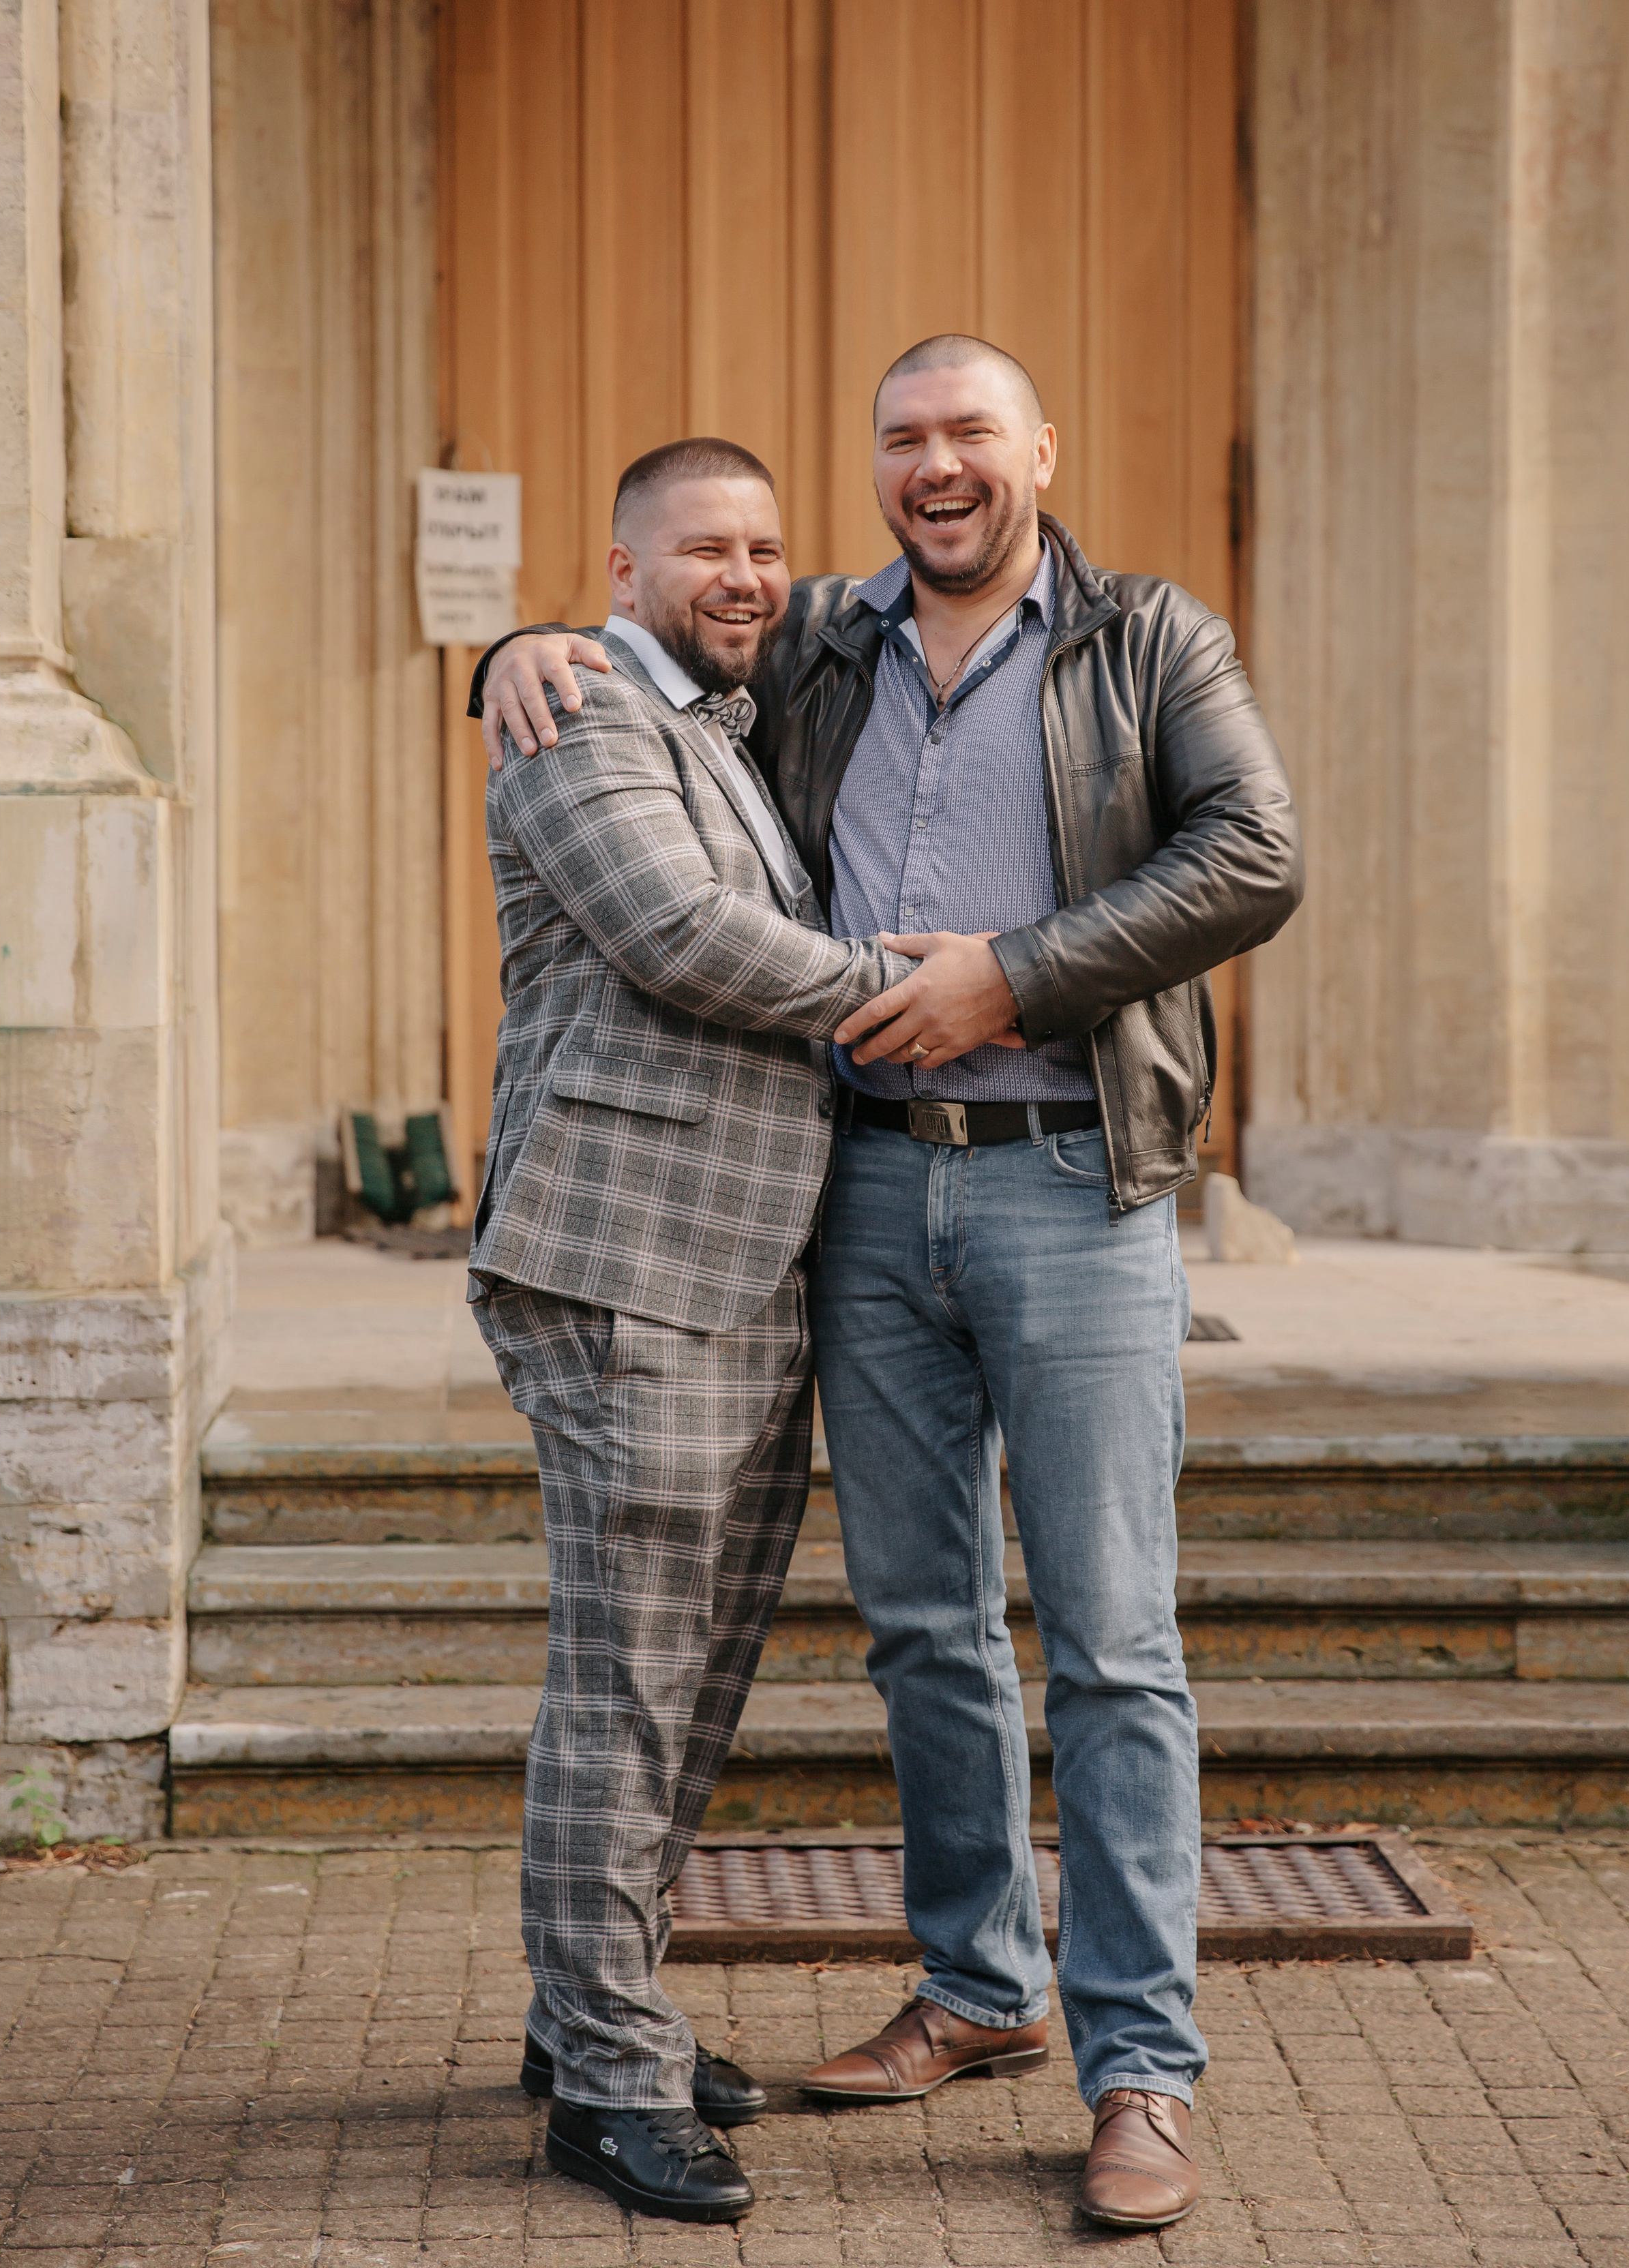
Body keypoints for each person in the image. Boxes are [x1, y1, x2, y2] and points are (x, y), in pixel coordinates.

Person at [475, 338, 1304, 2233]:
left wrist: (1014, 974)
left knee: (1111, 1644)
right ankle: (977, 1984)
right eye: (904, 439)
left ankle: (1141, 2069)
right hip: (854, 1195)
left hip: (1072, 1182)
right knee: (924, 1627)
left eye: (971, 434)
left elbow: (1254, 855)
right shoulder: (825, 640)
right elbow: (657, 663)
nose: (938, 466)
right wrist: (521, 645)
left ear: (1040, 450)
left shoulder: (1148, 640)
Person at [469, 432, 990, 2228]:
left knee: (693, 1675)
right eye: (704, 549)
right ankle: (608, 2088)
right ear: (621, 571)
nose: (747, 577)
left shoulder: (731, 716)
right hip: (624, 1260)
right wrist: (916, 991)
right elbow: (680, 938)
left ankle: (591, 2009)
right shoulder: (579, 716)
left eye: (766, 547)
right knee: (627, 1678)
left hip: (753, 1266)